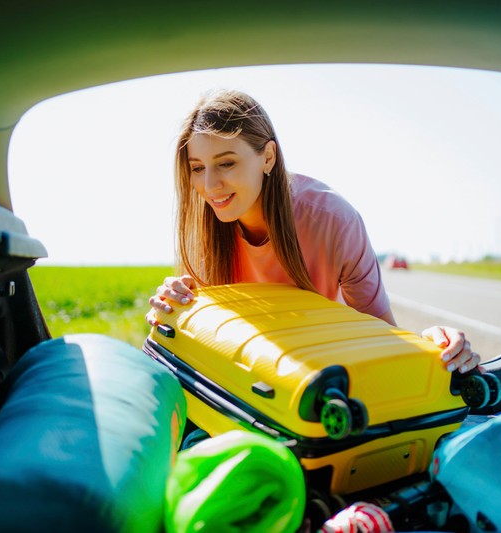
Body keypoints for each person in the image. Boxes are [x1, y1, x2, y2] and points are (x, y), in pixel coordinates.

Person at [146, 89, 480, 375]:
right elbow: (200, 343)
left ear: (268, 157)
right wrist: (174, 309)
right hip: (244, 382)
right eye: (197, 168)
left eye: (227, 163)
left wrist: (435, 346)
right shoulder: (204, 222)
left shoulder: (335, 221)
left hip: (310, 378)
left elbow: (382, 335)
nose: (209, 185)